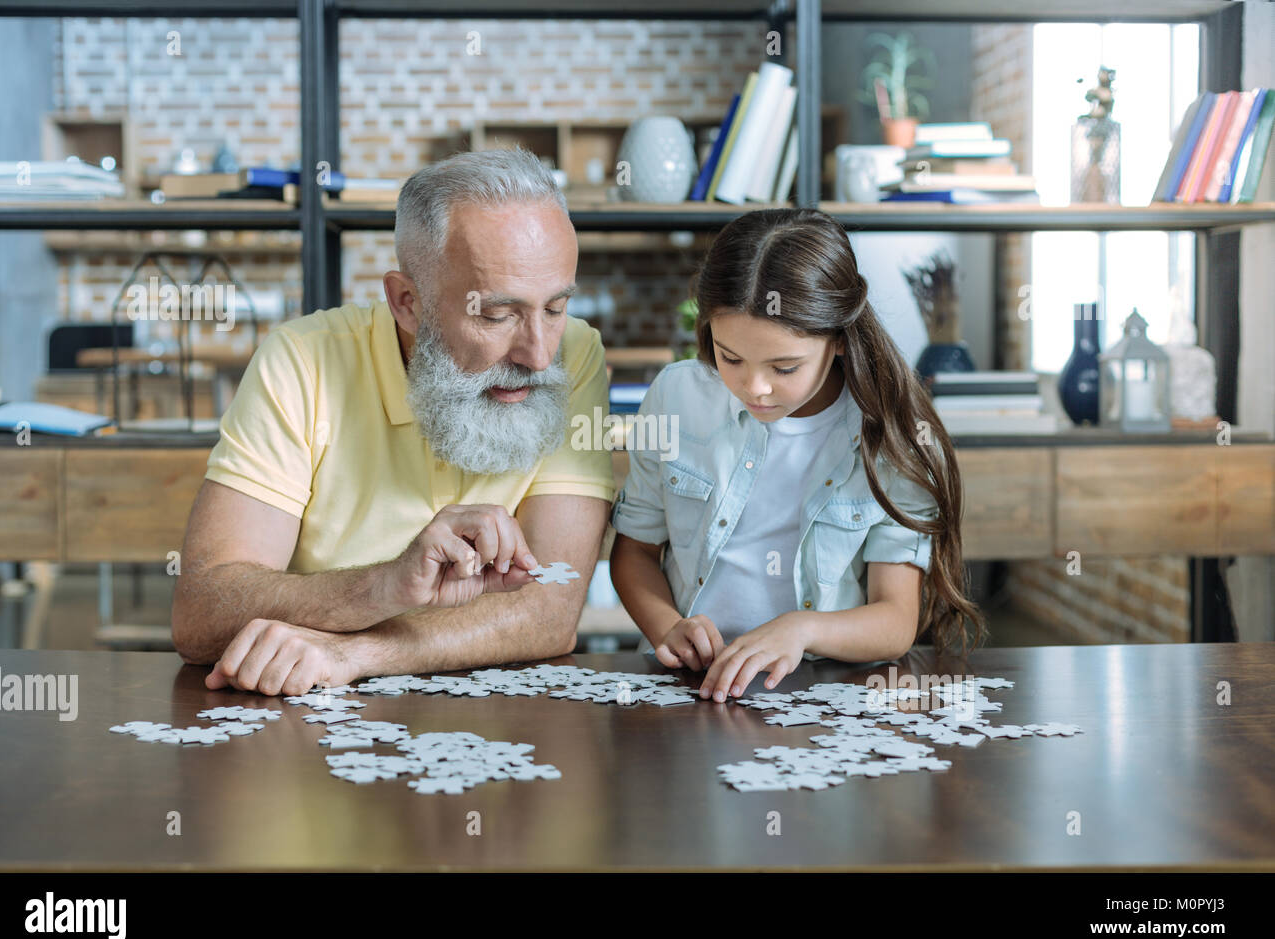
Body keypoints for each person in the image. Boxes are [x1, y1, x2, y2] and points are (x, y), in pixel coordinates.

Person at [171, 148, 615, 695]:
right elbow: (200, 614)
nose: (540, 355)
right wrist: (385, 585)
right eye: (498, 315)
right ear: (407, 301)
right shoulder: (303, 360)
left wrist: (358, 651)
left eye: (555, 307)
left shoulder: (577, 353)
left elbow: (550, 612)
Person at [609, 207, 986, 703]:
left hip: (829, 692)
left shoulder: (892, 437)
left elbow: (895, 619)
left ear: (839, 342)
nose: (755, 387)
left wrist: (800, 630)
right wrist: (666, 626)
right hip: (691, 690)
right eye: (731, 358)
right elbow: (634, 552)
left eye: (784, 367)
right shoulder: (676, 397)